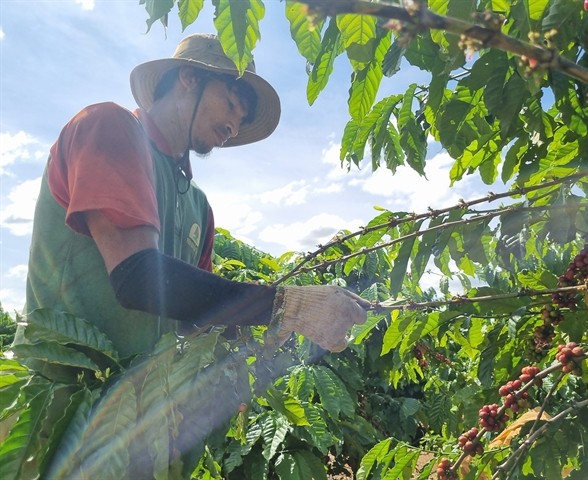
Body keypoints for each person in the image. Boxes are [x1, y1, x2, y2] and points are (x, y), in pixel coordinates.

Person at [11, 33, 369, 477]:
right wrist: (285, 303)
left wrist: (268, 330)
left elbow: (192, 318)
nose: (235, 125)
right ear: (187, 78)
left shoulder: (198, 204)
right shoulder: (109, 127)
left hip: (138, 418)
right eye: (233, 102)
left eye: (244, 117)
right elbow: (137, 277)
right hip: (63, 405)